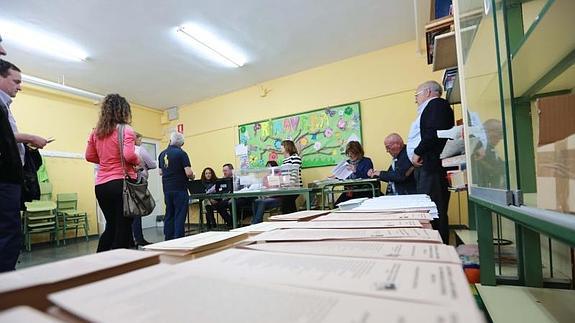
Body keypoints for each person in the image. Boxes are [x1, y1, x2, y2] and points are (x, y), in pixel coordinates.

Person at [1, 60, 50, 272]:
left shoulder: (5, 106)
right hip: (4, 178)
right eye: (16, 81)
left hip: (10, 176)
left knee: (9, 231)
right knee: (8, 232)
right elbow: (4, 137)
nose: (19, 86)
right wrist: (29, 137)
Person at [85, 93, 140, 252]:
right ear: (123, 111)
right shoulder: (126, 130)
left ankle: (100, 261)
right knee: (123, 227)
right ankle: (118, 266)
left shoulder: (96, 132)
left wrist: (106, 162)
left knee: (111, 226)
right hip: (121, 184)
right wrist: (138, 161)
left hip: (101, 186)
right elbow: (129, 155)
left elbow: (89, 156)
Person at [407, 80, 454, 244]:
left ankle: (439, 248)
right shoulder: (431, 108)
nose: (415, 99)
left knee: (433, 210)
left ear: (427, 92)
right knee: (429, 209)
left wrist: (418, 152)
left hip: (431, 166)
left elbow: (433, 134)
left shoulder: (437, 105)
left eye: (416, 95)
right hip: (426, 166)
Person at [158, 132, 194, 240]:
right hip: (179, 188)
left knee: (169, 213)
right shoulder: (181, 153)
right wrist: (192, 176)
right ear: (182, 143)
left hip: (167, 189)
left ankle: (168, 237)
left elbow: (160, 172)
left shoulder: (162, 154)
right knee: (180, 214)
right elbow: (188, 172)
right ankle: (179, 238)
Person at [131, 132, 157, 246]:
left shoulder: (122, 149)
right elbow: (153, 164)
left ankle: (130, 239)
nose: (141, 142)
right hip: (139, 183)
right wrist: (145, 167)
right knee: (138, 211)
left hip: (126, 182)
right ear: (135, 139)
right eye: (140, 140)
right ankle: (139, 238)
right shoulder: (140, 150)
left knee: (128, 210)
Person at [334, 141, 374, 205]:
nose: (350, 155)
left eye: (352, 153)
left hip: (364, 190)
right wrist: (336, 176)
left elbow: (369, 176)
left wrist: (356, 170)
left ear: (359, 153)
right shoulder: (347, 162)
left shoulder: (366, 161)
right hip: (349, 192)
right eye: (348, 153)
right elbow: (343, 176)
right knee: (336, 206)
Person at [280, 140, 302, 213]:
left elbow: (294, 172)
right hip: (287, 188)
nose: (281, 148)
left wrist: (290, 185)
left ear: (287, 147)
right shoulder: (284, 160)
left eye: (282, 146)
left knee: (287, 206)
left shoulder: (295, 157)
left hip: (294, 187)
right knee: (289, 206)